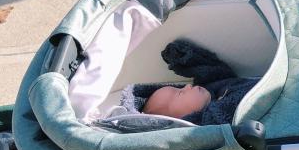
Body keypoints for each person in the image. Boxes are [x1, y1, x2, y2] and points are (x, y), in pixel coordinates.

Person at [104, 38, 258, 127]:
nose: (187, 86)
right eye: (179, 93)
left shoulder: (211, 87)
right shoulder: (206, 123)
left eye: (180, 88)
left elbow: (212, 69)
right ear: (178, 119)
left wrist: (185, 57)